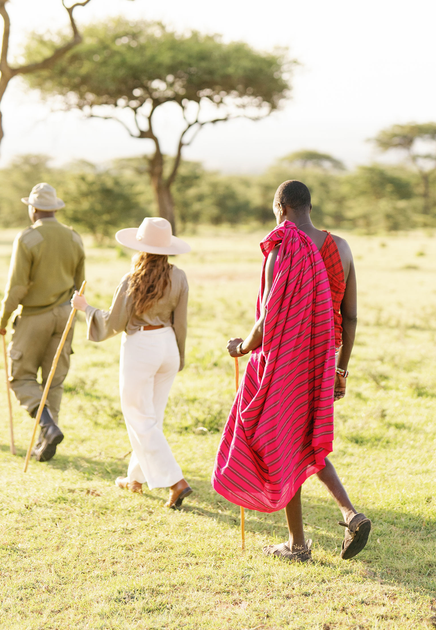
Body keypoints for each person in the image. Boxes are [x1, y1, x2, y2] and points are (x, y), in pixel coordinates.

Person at [213, 180, 371, 561]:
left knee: (284, 441)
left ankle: (299, 544)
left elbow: (268, 320)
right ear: (310, 208)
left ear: (280, 208)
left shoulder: (281, 248)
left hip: (288, 359)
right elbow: (350, 317)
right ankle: (349, 515)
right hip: (324, 357)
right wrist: (341, 369)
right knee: (304, 440)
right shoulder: (341, 248)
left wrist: (242, 347)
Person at [71, 216, 192, 509]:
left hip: (142, 346)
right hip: (168, 346)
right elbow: (181, 322)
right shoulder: (179, 276)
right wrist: (179, 355)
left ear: (141, 247)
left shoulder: (132, 279)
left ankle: (176, 482)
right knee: (151, 418)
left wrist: (86, 308)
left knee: (139, 418)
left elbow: (114, 323)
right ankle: (135, 478)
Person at [0, 183, 85, 462]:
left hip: (35, 316)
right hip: (66, 315)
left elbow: (17, 287)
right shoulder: (74, 237)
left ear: (33, 209)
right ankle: (46, 439)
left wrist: (3, 319)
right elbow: (81, 284)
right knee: (53, 381)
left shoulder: (27, 238)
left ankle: (47, 426)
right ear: (55, 209)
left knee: (20, 377)